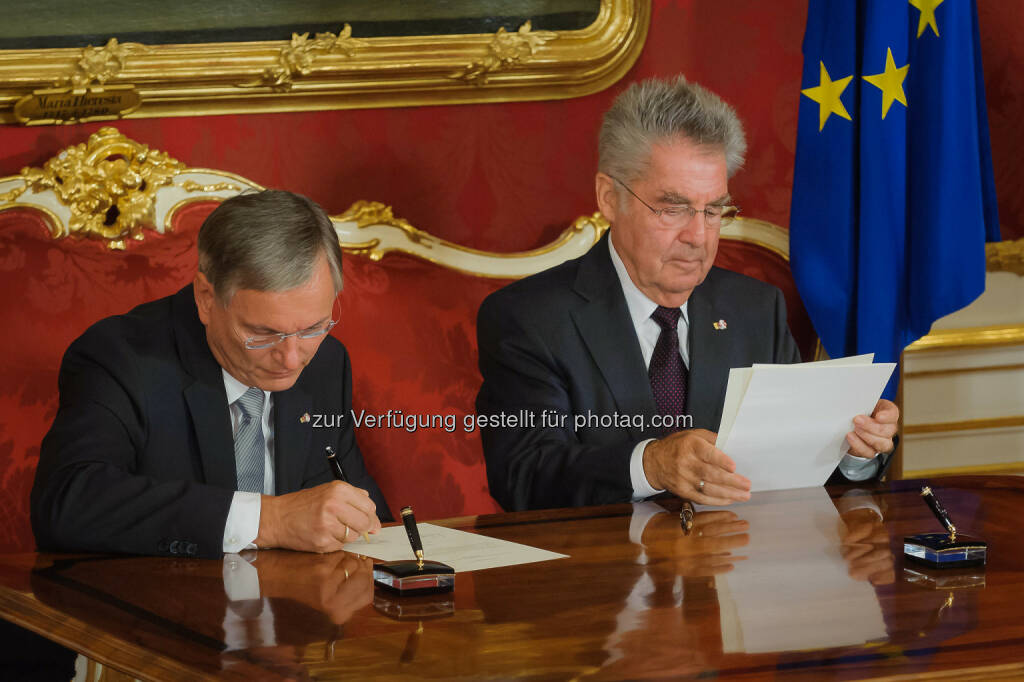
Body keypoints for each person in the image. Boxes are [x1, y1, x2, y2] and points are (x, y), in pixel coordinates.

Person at [475, 76, 899, 512]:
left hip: (735, 567)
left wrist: (853, 451)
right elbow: (523, 474)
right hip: (604, 571)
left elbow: (793, 469)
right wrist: (650, 464)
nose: (698, 236)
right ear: (609, 197)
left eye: (713, 210)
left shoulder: (755, 309)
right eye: (672, 208)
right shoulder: (530, 320)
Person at [31, 190, 391, 559]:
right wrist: (270, 520)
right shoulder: (123, 357)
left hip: (294, 609)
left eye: (313, 327)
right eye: (264, 333)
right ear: (206, 297)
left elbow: (362, 514)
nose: (291, 357)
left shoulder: (327, 362)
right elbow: (66, 503)